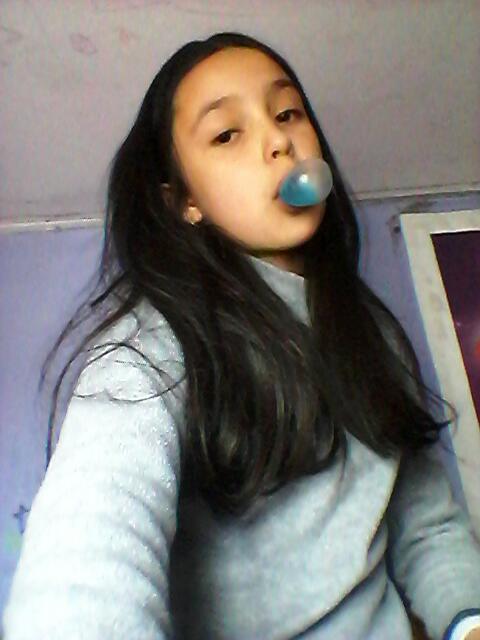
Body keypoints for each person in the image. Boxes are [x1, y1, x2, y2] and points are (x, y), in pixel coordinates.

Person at [2, 31, 480, 640]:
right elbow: (83, 572)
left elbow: (426, 526)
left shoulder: (371, 333)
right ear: (185, 202)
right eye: (227, 133)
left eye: (287, 113)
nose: (279, 141)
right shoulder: (149, 353)